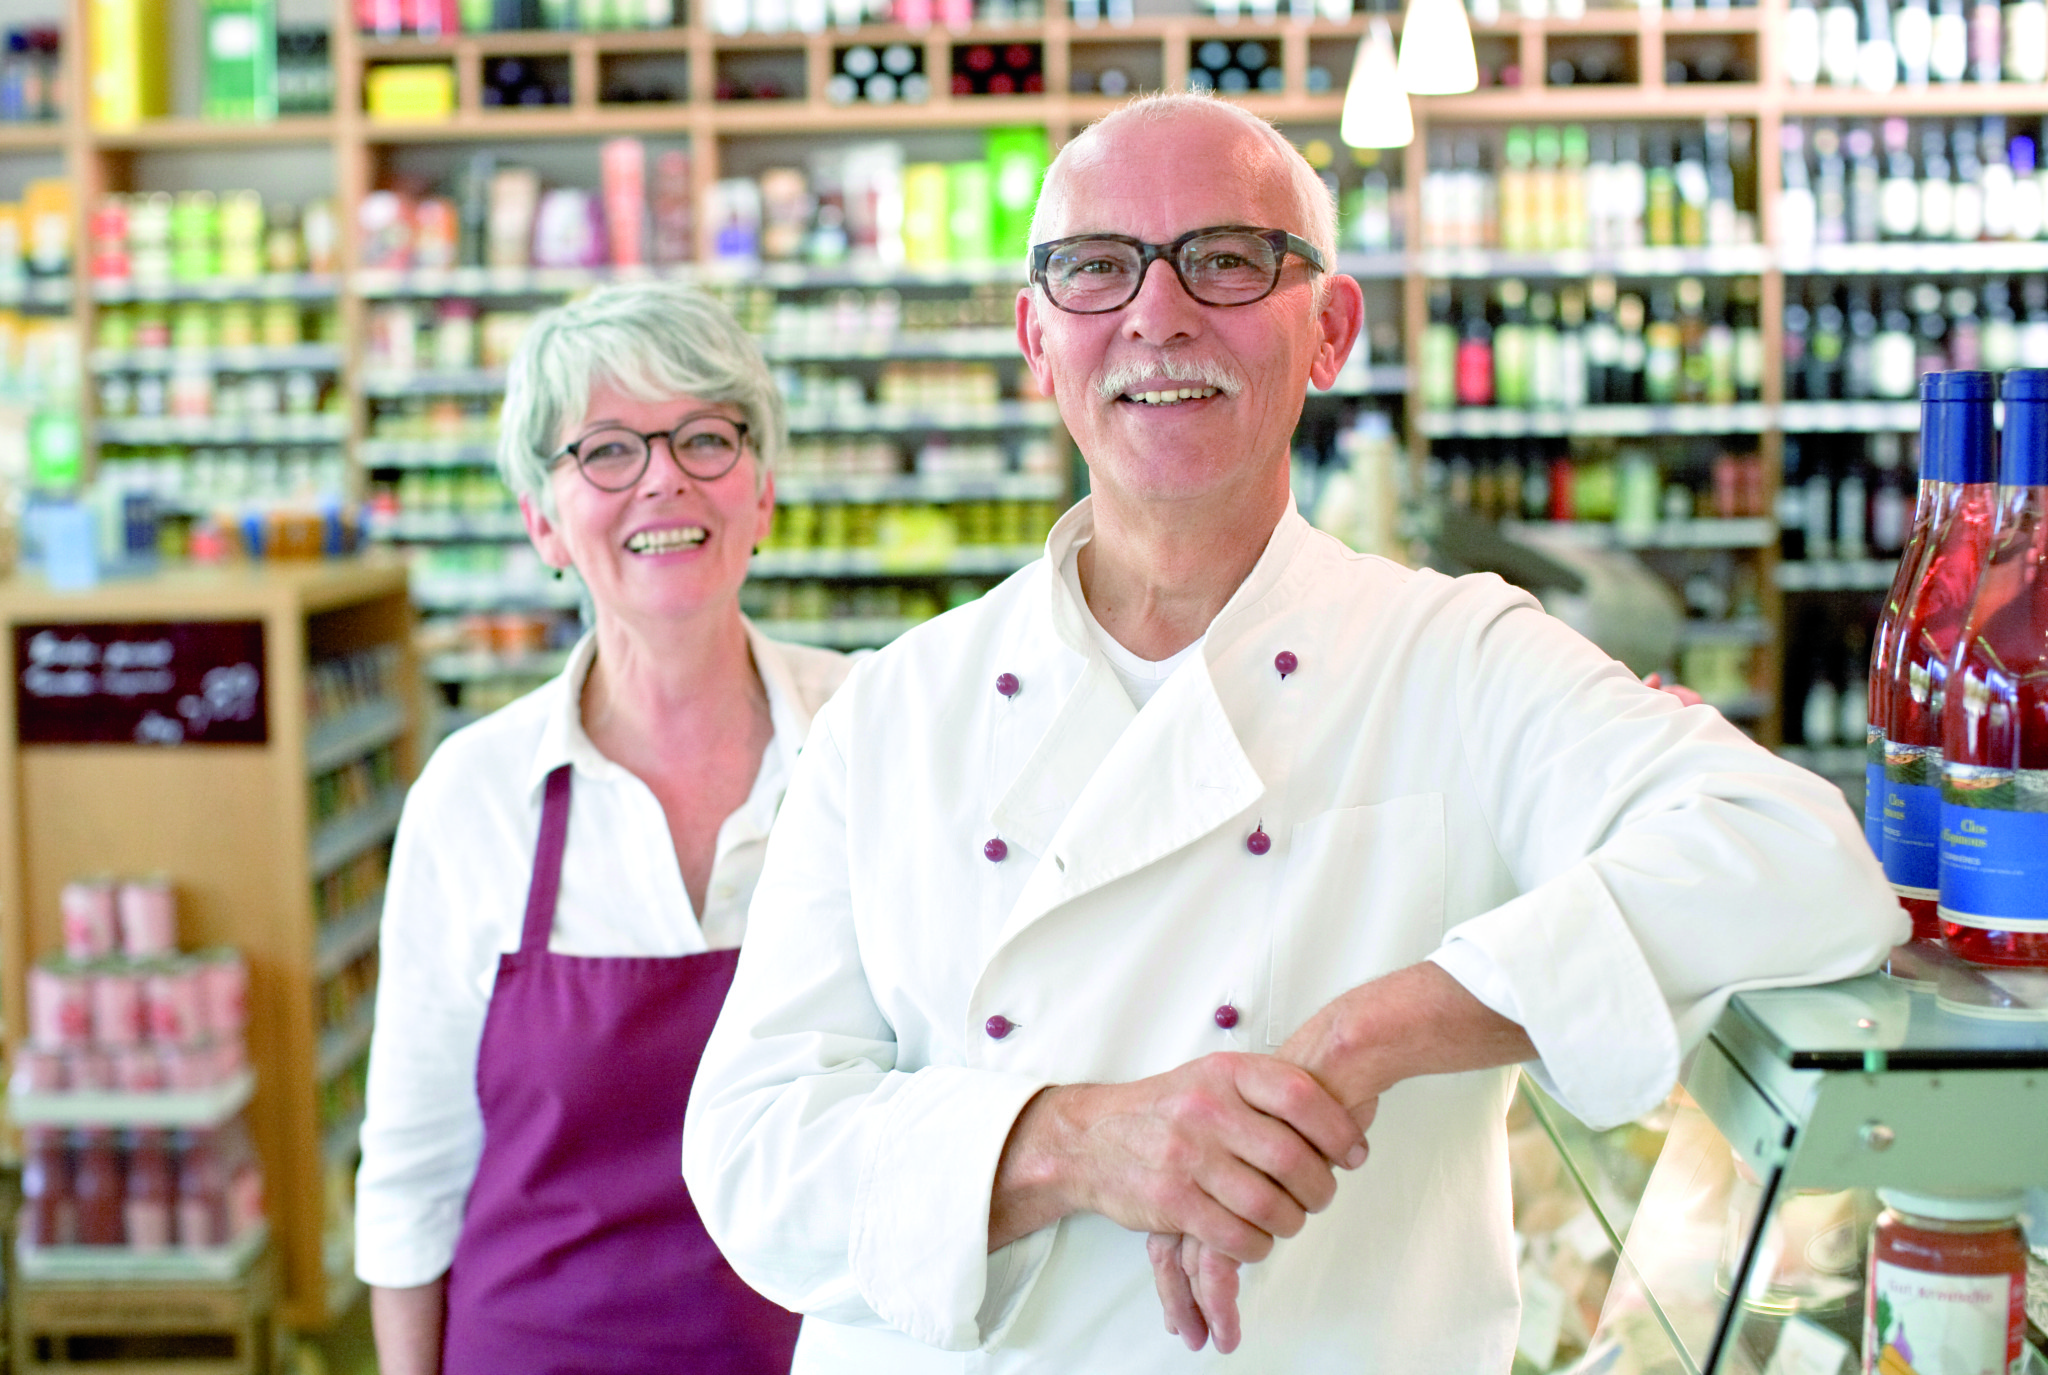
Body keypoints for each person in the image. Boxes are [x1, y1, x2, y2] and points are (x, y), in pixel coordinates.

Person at [682, 93, 1907, 1371]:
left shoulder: (1456, 656)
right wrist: (1078, 1141)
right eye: (1097, 269)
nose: (1156, 315)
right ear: (1037, 340)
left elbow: (1800, 860)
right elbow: (751, 1151)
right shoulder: (895, 707)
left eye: (1223, 258)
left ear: (1328, 329)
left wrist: (1357, 1038)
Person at [356, 282, 850, 1375]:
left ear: (761, 492)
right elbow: (411, 1177)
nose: (663, 476)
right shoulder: (475, 795)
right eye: (607, 450)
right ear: (543, 518)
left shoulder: (869, 739)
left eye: (705, 438)